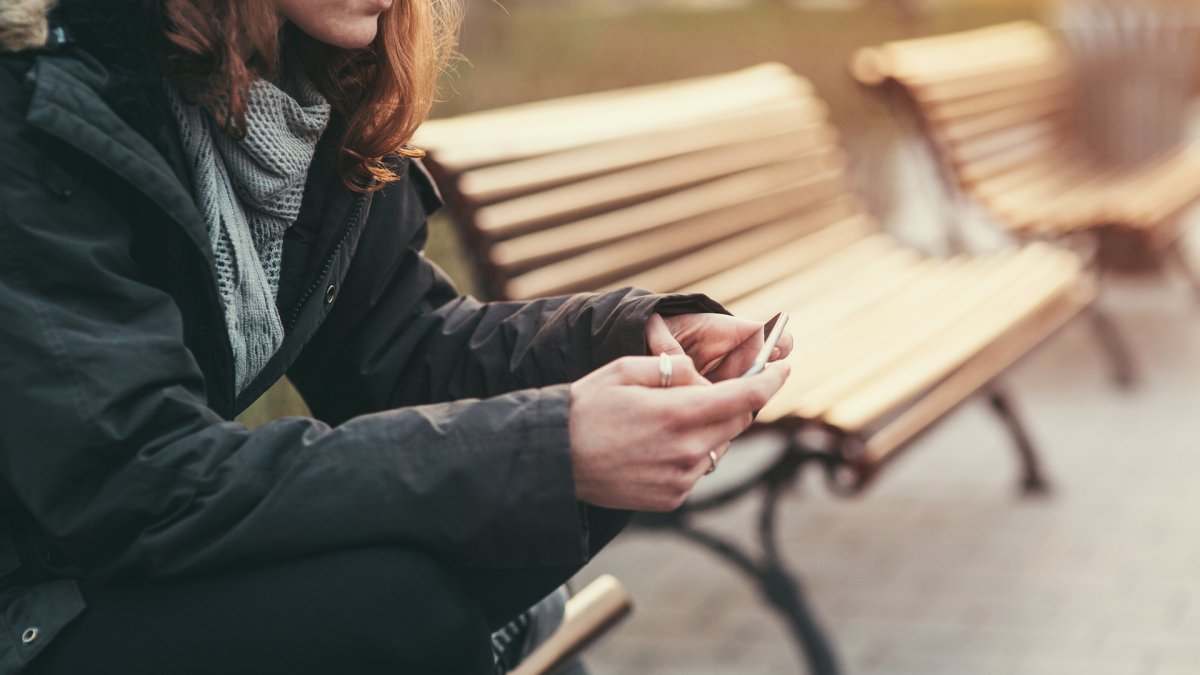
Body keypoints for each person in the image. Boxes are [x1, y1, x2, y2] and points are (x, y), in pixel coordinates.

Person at [0, 0, 793, 672]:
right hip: (31, 594)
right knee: (399, 605)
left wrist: (630, 343)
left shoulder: (306, 91)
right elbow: (142, 477)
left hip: (123, 546)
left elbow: (399, 347)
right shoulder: (36, 98)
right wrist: (551, 442)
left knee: (590, 474)